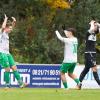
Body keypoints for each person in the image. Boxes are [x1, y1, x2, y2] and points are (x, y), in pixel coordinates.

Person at [0, 14, 27, 88]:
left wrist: (14, 22)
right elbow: (3, 27)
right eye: (10, 28)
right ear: (6, 28)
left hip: (7, 53)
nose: (11, 30)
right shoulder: (1, 32)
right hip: (2, 53)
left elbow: (11, 27)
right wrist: (5, 19)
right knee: (7, 69)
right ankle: (7, 85)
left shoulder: (7, 33)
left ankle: (21, 84)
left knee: (14, 67)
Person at [78, 20, 100, 89]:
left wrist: (95, 23)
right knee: (94, 69)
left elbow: (97, 29)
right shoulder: (88, 33)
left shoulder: (95, 34)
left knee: (86, 70)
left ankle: (79, 84)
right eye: (95, 26)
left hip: (92, 54)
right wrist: (92, 24)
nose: (96, 27)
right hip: (89, 53)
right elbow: (92, 29)